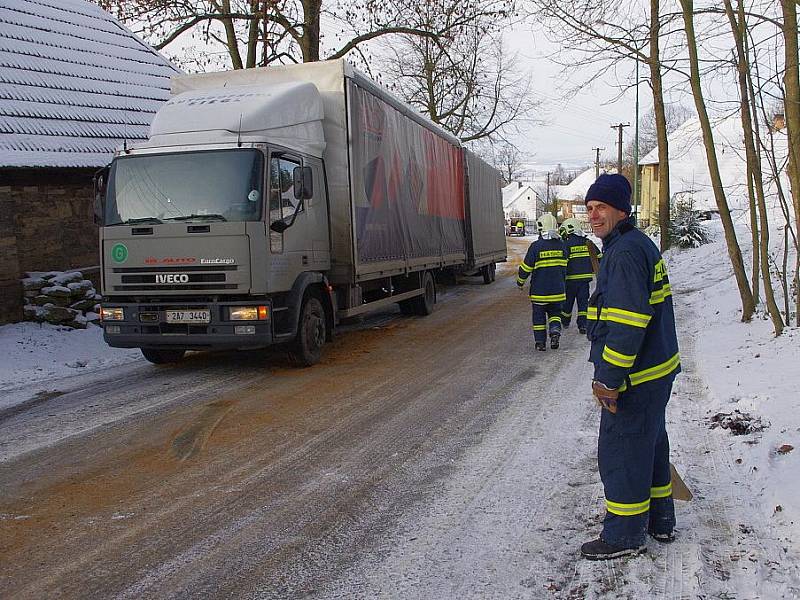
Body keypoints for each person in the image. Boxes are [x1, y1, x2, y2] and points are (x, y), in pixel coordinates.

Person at [580, 173, 681, 560]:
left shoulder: (623, 253)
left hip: (637, 377)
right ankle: (660, 520)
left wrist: (608, 379)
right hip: (657, 371)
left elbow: (626, 325)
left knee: (621, 452)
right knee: (650, 445)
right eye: (589, 208)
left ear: (622, 209)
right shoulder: (635, 245)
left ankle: (624, 535)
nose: (593, 215)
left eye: (600, 207)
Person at [516, 213, 567, 351]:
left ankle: (540, 343)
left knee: (539, 318)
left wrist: (520, 282)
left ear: (541, 228)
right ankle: (555, 333)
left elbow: (526, 268)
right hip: (558, 292)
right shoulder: (562, 246)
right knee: (555, 314)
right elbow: (565, 267)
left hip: (539, 293)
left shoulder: (536, 246)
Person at [558, 217, 599, 334]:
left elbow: (563, 263)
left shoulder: (566, 244)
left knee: (567, 303)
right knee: (583, 303)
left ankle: (565, 321)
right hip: (584, 281)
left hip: (570, 281)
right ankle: (583, 325)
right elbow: (599, 258)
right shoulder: (588, 243)